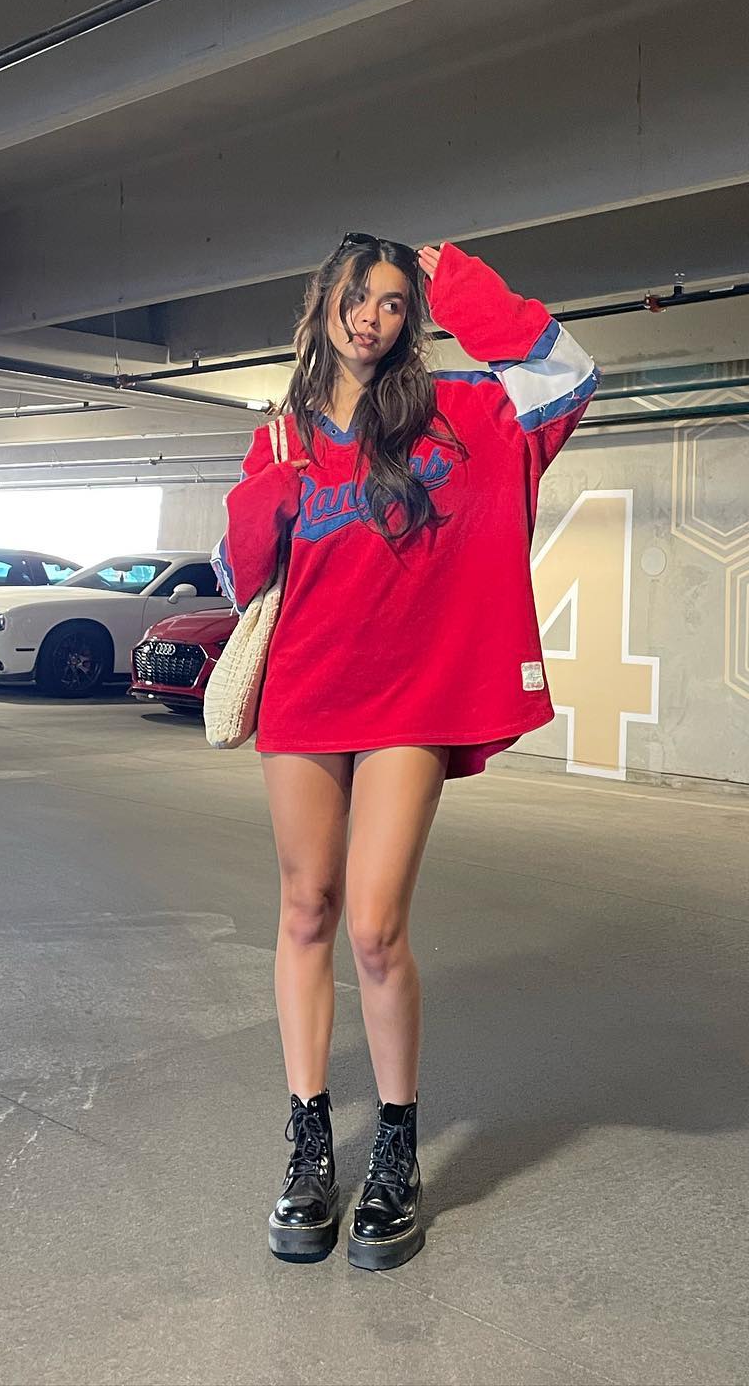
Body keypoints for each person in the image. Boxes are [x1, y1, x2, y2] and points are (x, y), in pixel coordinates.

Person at [212, 234, 598, 1270]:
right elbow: (238, 572)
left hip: (411, 700)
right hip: (306, 690)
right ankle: (308, 1147)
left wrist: (462, 284)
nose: (373, 317)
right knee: (306, 909)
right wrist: (265, 495)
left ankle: (395, 1147)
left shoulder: (460, 410)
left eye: (392, 302)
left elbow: (568, 378)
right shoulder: (283, 432)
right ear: (323, 302)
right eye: (358, 296)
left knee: (376, 928)